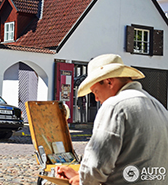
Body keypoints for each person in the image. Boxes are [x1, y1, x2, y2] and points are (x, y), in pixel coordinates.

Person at [55, 54, 168, 184]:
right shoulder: (158, 106)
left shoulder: (115, 105)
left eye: (95, 91)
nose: (96, 98)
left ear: (109, 82)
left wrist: (82, 180)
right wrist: (78, 174)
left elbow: (97, 163)